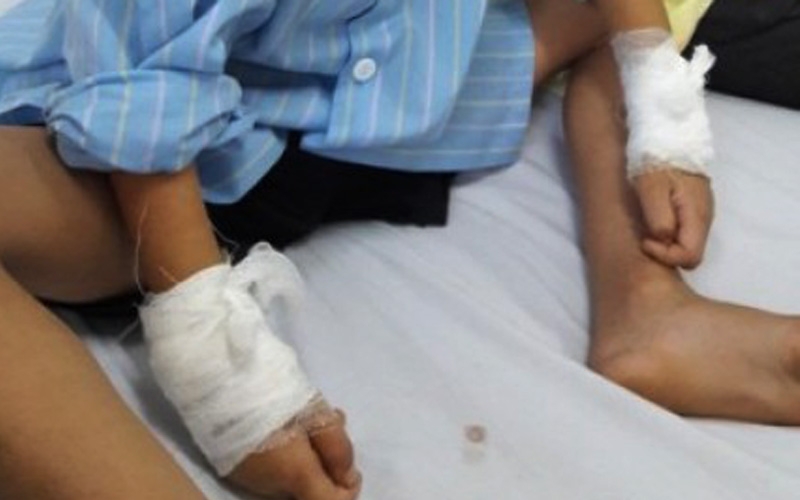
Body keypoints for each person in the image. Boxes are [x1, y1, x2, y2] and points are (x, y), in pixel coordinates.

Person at [3, 1, 797, 499]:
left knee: (619, 17)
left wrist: (660, 107)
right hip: (157, 156)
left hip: (409, 98)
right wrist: (223, 375)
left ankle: (648, 310)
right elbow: (147, 91)